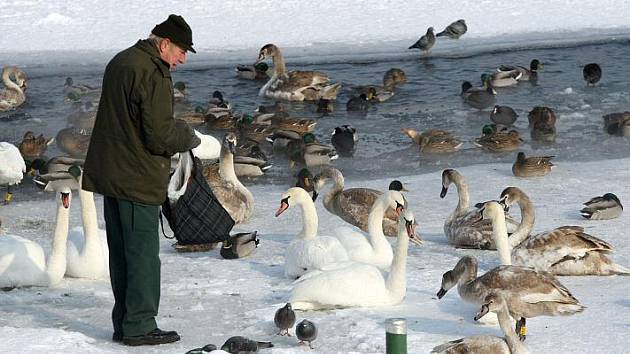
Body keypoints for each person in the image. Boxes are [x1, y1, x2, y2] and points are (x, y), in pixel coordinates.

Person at [82, 14, 201, 346]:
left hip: (112, 173)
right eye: (180, 51)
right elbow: (160, 135)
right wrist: (189, 136)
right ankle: (139, 326)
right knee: (143, 255)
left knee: (121, 252)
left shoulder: (121, 61)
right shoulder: (152, 72)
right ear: (163, 44)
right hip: (136, 176)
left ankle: (124, 322)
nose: (182, 59)